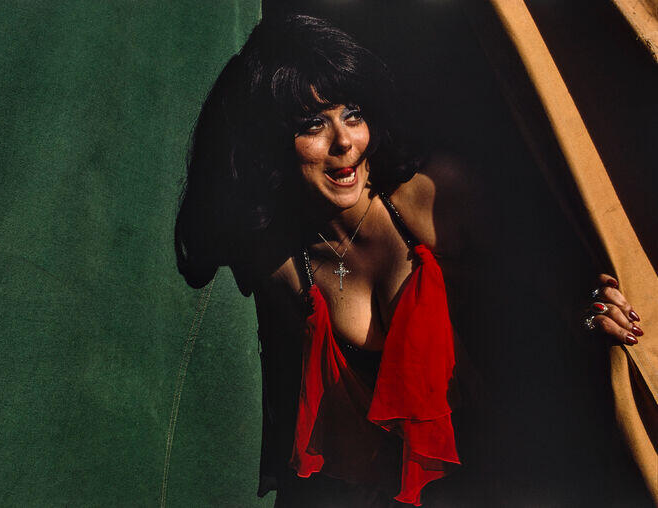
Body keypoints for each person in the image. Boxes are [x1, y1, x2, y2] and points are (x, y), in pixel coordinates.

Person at [174, 14, 645, 507]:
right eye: (313, 124)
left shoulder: (434, 196)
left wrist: (593, 311)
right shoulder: (282, 267)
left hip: (535, 459)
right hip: (427, 493)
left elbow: (553, 284)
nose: (344, 142)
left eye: (353, 114)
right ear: (272, 141)